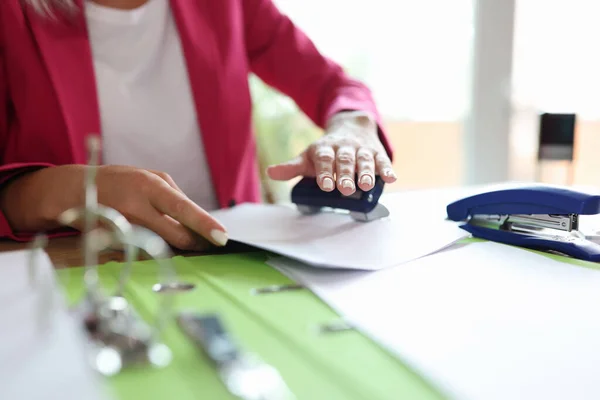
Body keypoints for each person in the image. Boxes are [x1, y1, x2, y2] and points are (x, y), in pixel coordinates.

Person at [0, 0, 396, 251]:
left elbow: (334, 85)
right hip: (80, 276)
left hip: (235, 266)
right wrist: (76, 191)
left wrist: (354, 124)